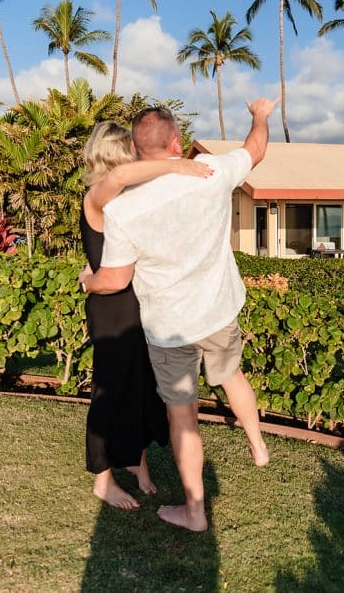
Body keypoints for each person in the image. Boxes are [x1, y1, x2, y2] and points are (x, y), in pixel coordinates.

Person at [80, 97, 279, 532]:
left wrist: (88, 281)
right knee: (233, 377)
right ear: (177, 140)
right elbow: (257, 149)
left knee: (183, 416)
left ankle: (194, 511)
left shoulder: (123, 209)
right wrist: (260, 115)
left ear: (134, 150)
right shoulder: (211, 170)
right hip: (219, 311)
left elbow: (114, 278)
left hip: (170, 330)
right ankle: (258, 446)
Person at [80, 121, 214, 510]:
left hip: (140, 305)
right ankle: (103, 479)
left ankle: (137, 465)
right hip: (112, 310)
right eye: (133, 150)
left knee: (141, 388)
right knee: (111, 390)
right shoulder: (97, 196)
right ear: (117, 154)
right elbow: (121, 177)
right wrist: (176, 164)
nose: (140, 156)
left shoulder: (129, 201)